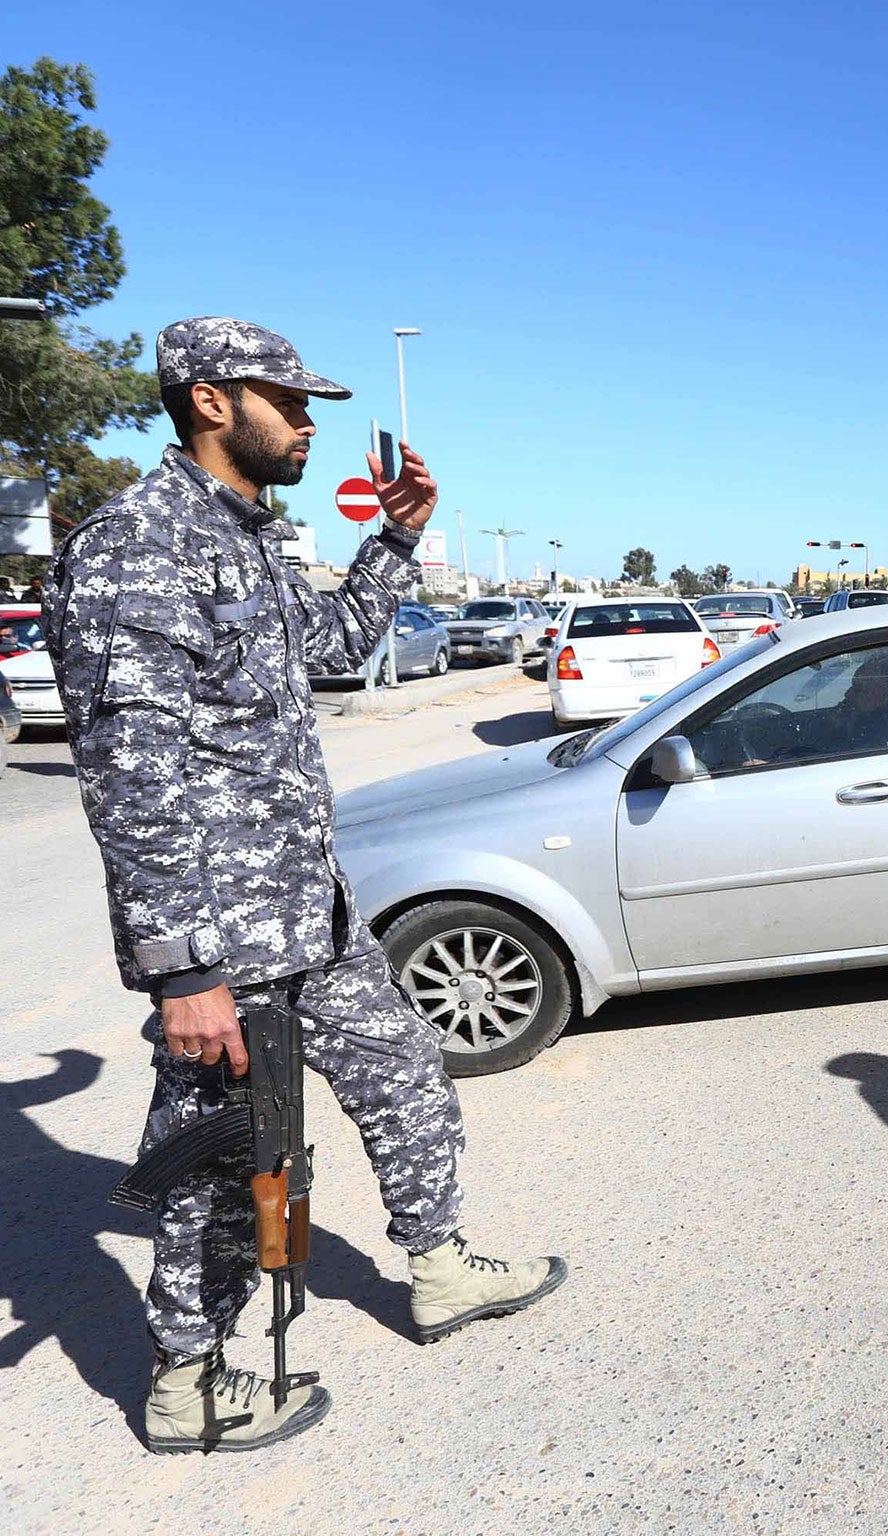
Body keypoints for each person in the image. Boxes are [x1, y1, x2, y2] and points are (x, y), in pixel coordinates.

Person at [46, 318, 566, 1454]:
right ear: (210, 401)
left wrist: (397, 542)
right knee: (224, 1167)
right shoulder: (136, 545)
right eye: (287, 395)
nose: (310, 417)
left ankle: (438, 1266)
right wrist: (184, 974)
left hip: (310, 913)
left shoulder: (247, 540)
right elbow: (133, 780)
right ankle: (188, 1380)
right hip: (226, 944)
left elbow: (330, 643)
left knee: (403, 1072)